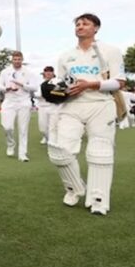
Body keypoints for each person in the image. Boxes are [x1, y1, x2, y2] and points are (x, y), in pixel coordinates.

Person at [48, 13, 125, 216]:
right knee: (60, 150)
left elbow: (120, 82)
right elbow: (63, 83)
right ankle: (74, 188)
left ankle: (99, 199)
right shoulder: (65, 56)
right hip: (72, 106)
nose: (80, 27)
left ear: (96, 28)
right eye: (78, 24)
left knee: (100, 151)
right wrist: (56, 91)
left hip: (101, 104)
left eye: (85, 24)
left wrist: (91, 84)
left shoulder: (110, 51)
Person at [0, 51, 38, 161]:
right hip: (9, 101)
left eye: (19, 59)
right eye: (15, 59)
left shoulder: (29, 72)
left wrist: (22, 85)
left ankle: (22, 154)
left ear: (22, 60)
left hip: (24, 101)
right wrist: (7, 88)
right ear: (12, 60)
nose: (17, 61)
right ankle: (10, 144)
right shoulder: (5, 72)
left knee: (23, 129)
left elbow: (34, 88)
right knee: (7, 127)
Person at [34, 66, 58, 144]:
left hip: (53, 106)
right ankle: (46, 137)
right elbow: (36, 94)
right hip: (42, 107)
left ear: (53, 73)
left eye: (50, 71)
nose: (48, 73)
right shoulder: (40, 83)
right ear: (44, 73)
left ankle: (52, 141)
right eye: (46, 71)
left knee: (53, 126)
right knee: (43, 128)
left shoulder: (57, 82)